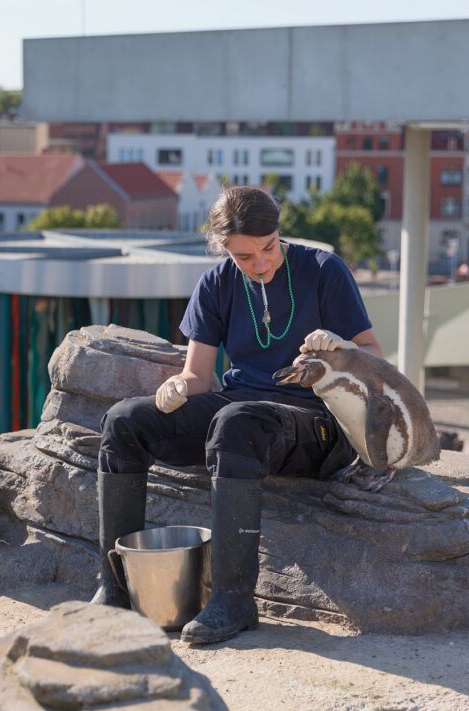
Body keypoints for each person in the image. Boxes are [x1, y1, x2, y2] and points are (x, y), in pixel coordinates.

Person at [92, 186, 383, 645]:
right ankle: (115, 587)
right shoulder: (216, 283)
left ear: (278, 232)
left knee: (237, 423)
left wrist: (342, 348)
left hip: (316, 422)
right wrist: (176, 388)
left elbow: (372, 354)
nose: (260, 263)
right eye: (244, 257)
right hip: (242, 412)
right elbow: (198, 376)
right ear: (223, 248)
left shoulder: (325, 270)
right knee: (124, 421)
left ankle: (234, 598)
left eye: (268, 248)